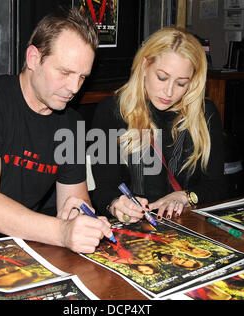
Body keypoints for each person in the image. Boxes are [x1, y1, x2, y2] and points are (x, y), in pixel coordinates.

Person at [0, 8, 114, 253]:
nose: (74, 87)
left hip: (17, 244)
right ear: (33, 58)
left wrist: (80, 219)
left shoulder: (71, 124)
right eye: (65, 72)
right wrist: (62, 232)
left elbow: (74, 201)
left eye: (82, 77)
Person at [90, 27, 227, 223]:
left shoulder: (205, 114)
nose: (169, 91)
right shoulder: (112, 111)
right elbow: (103, 189)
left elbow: (218, 186)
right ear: (145, 66)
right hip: (134, 231)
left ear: (192, 81)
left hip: (187, 226)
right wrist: (116, 204)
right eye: (162, 77)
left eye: (181, 83)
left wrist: (185, 197)